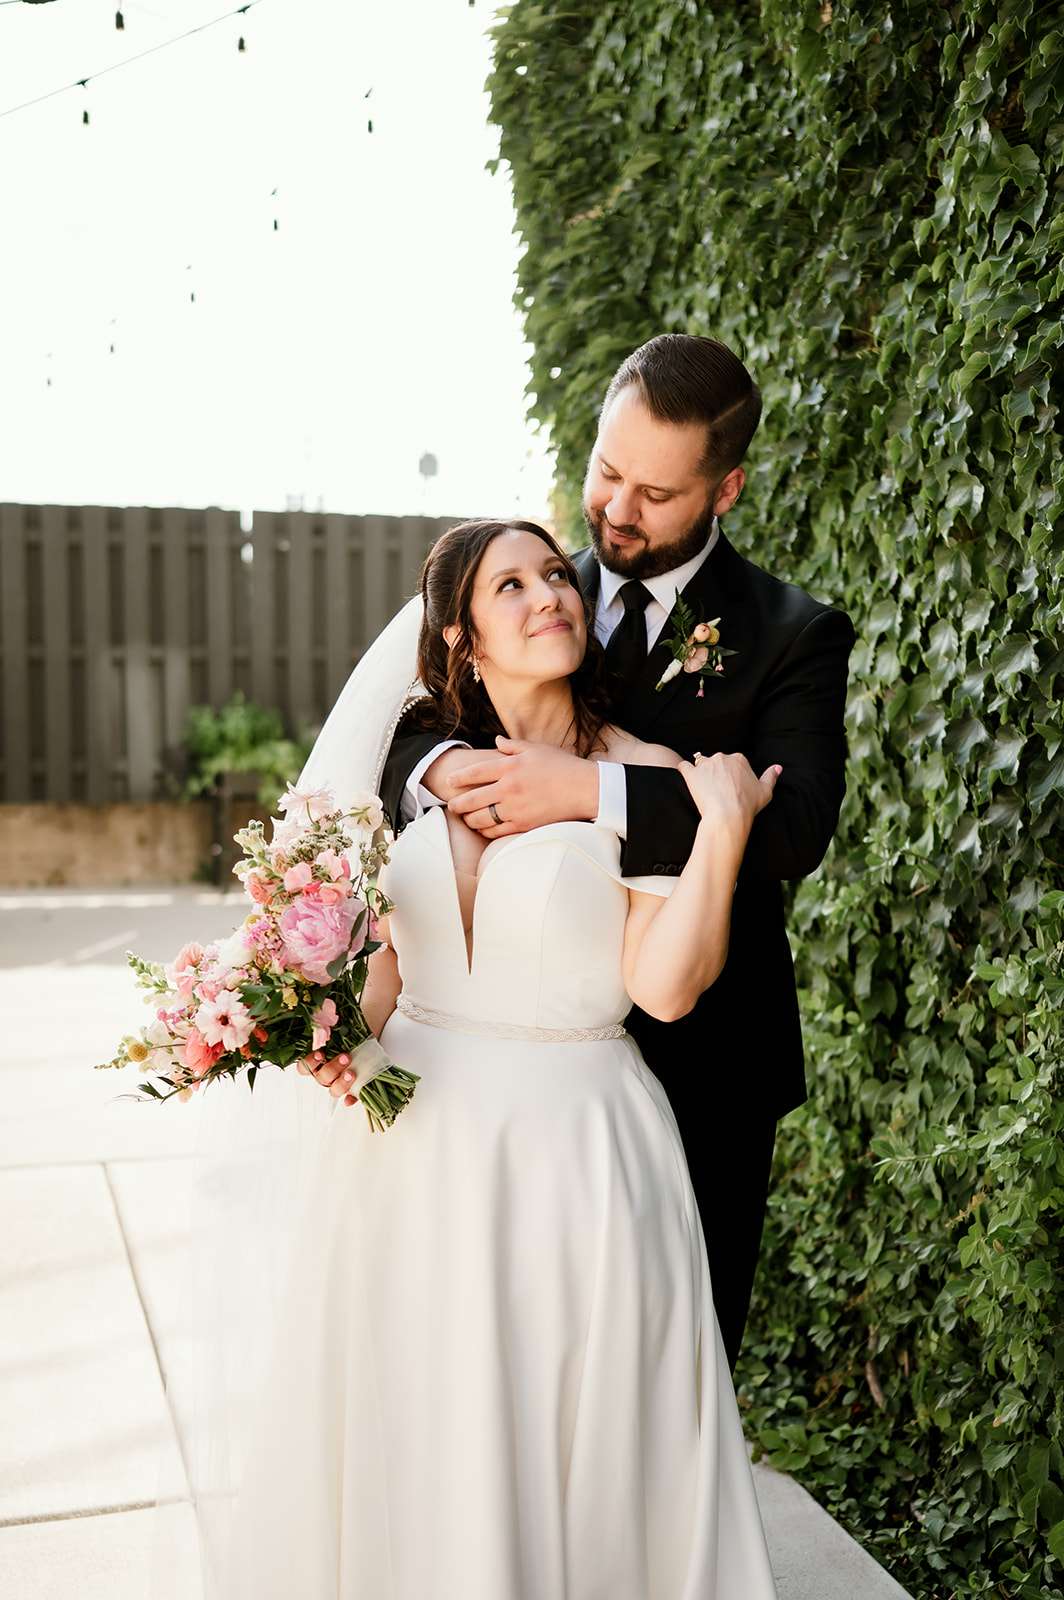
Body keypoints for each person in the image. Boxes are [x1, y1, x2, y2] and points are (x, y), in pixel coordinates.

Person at [244, 516, 781, 1597]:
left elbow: (664, 987)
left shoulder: (642, 774)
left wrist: (720, 837)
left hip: (573, 1151)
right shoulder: (416, 777)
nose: (551, 594)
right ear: (460, 639)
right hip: (411, 1152)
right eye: (512, 586)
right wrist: (336, 1036)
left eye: (554, 574)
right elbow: (391, 968)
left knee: (559, 1432)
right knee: (421, 1419)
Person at [378, 333, 858, 1372]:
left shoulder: (790, 633)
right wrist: (432, 773)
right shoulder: (535, 589)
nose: (615, 510)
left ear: (723, 487)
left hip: (703, 1053)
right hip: (517, 1064)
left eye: (654, 491)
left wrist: (591, 791)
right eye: (604, 472)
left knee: (669, 1365)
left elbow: (791, 826)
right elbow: (419, 717)